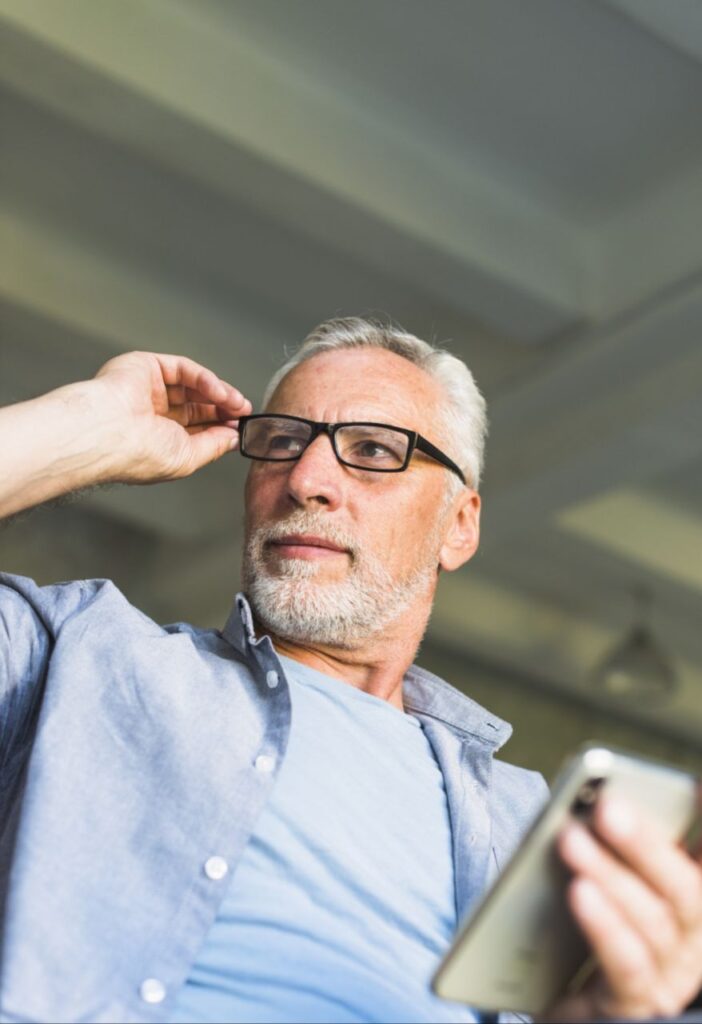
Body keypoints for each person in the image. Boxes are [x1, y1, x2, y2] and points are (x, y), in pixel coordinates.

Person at [0, 317, 700, 1024]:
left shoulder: (530, 827)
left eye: (371, 449)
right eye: (281, 443)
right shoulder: (80, 654)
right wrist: (79, 428)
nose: (306, 480)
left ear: (459, 526)